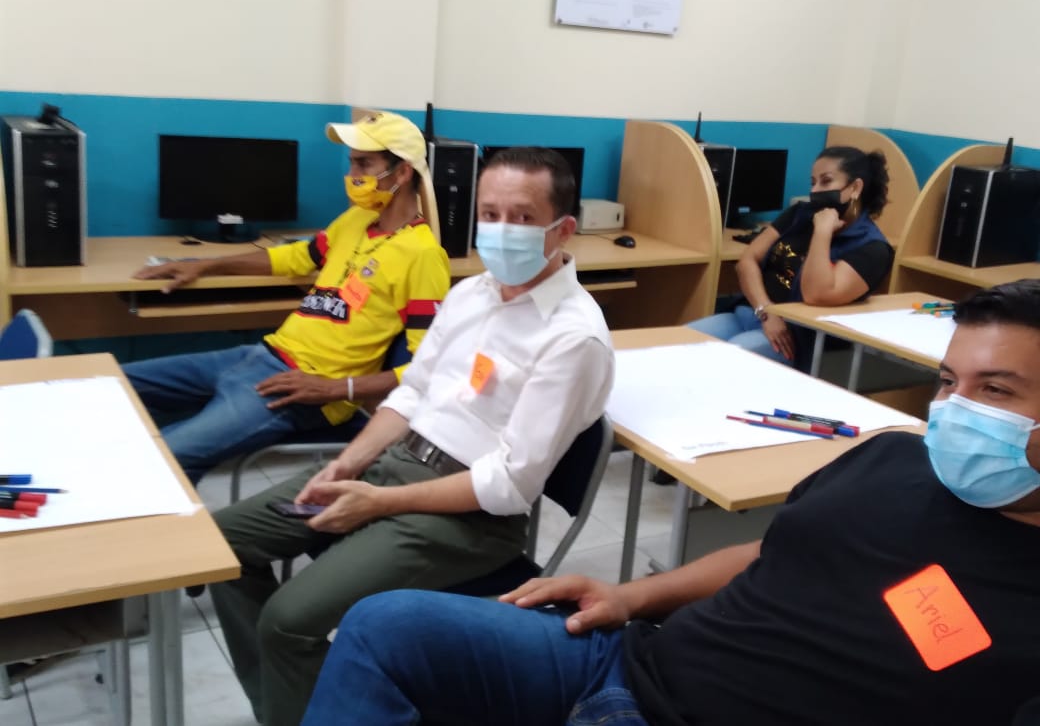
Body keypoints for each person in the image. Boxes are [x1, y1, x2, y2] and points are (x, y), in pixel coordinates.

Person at [303, 278, 1040, 726]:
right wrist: (630, 596)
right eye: (949, 383)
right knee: (383, 625)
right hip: (630, 664)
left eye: (996, 390)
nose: (955, 410)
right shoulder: (892, 455)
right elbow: (771, 549)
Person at [209, 146, 615, 726]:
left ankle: (304, 707)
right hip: (394, 463)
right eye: (490, 214)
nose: (501, 230)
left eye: (523, 217)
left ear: (563, 229)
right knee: (222, 547)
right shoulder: (471, 293)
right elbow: (412, 392)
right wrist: (349, 463)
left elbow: (508, 486)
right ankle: (293, 706)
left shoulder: (574, 337)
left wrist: (380, 503)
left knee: (286, 622)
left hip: (469, 516)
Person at [123, 111, 450, 484]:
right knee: (116, 382)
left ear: (403, 172)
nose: (352, 174)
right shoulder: (357, 220)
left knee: (164, 457)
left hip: (304, 389)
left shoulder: (423, 255)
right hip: (258, 356)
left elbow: (426, 370)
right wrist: (206, 265)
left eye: (364, 164)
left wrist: (335, 389)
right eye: (351, 163)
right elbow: (297, 257)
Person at [690, 146, 894, 368]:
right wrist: (765, 313)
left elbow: (816, 294)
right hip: (754, 314)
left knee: (719, 362)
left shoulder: (872, 248)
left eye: (826, 181)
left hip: (792, 338)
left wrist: (822, 232)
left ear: (855, 187)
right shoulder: (800, 214)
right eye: (813, 182)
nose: (815, 191)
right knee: (677, 344)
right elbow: (747, 261)